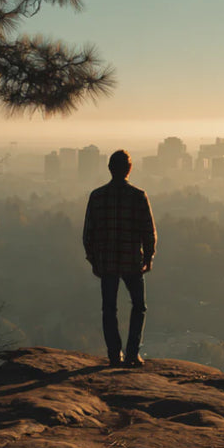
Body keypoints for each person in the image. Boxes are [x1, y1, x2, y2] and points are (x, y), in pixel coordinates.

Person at [82, 150, 156, 367]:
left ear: (109, 169)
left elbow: (88, 233)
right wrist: (149, 257)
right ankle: (133, 353)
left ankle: (115, 355)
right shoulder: (138, 196)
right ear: (129, 169)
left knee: (109, 308)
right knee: (139, 306)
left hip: (107, 262)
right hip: (132, 260)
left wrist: (93, 260)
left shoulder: (97, 196)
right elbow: (148, 231)